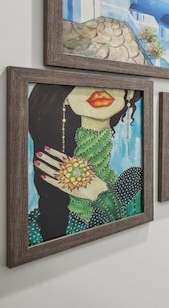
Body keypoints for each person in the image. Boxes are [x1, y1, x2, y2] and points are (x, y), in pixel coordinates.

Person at [27, 83, 143, 245]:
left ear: (129, 92)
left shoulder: (135, 182)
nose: (99, 89)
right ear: (63, 97)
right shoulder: (35, 226)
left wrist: (101, 194)